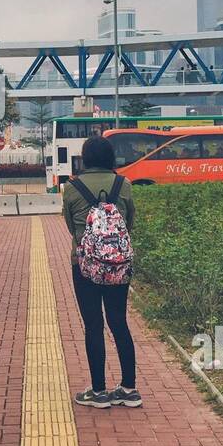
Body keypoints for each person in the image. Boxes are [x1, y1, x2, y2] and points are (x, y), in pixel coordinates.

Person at [61, 134, 139, 408]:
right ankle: (129, 388)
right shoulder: (124, 184)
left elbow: (71, 226)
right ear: (110, 157)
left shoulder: (72, 187)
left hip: (84, 265)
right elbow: (129, 223)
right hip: (118, 264)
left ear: (86, 158)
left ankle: (98, 391)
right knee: (119, 321)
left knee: (93, 324)